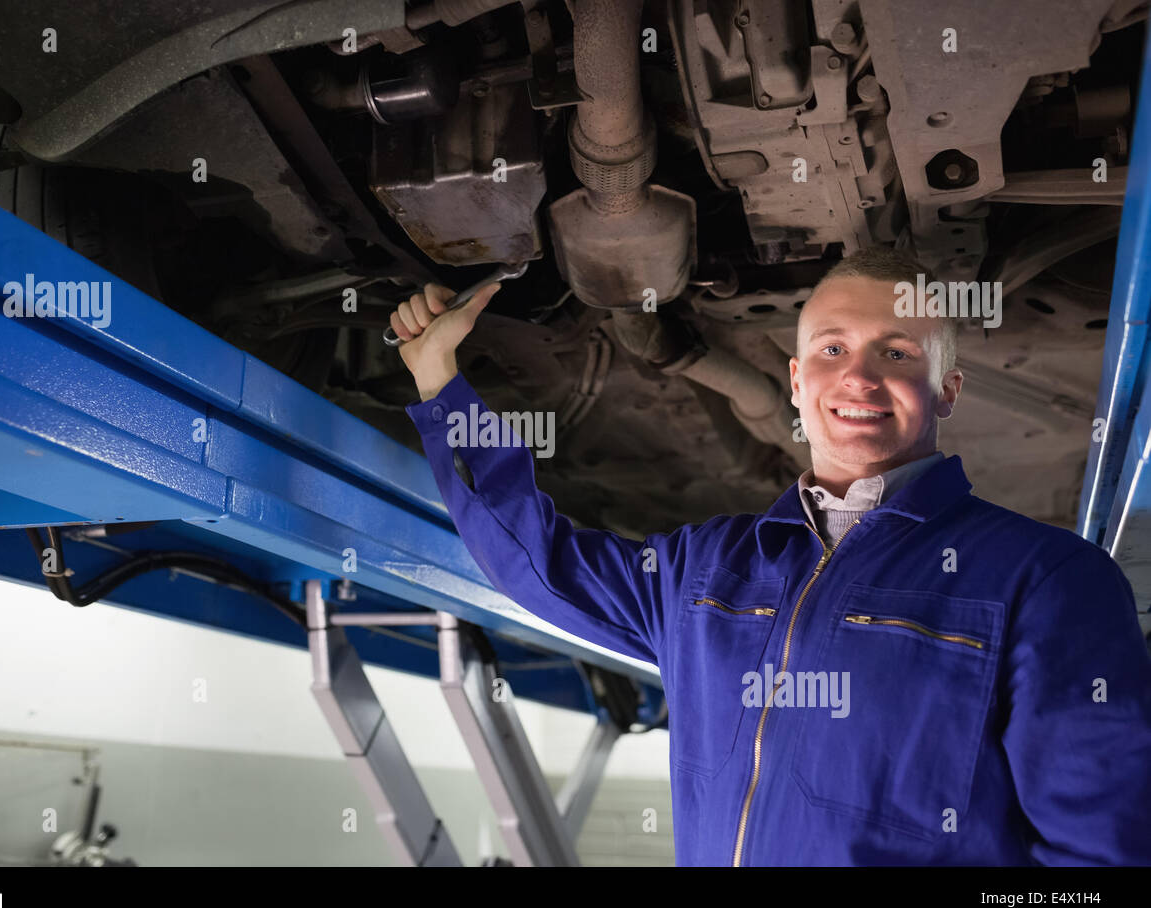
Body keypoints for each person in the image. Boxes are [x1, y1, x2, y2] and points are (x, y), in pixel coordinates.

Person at [390, 246, 1151, 866]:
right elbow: (535, 559)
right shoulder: (703, 570)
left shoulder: (1047, 581)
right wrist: (439, 381)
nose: (859, 374)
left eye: (896, 350)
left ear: (947, 389)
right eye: (831, 348)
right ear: (796, 380)